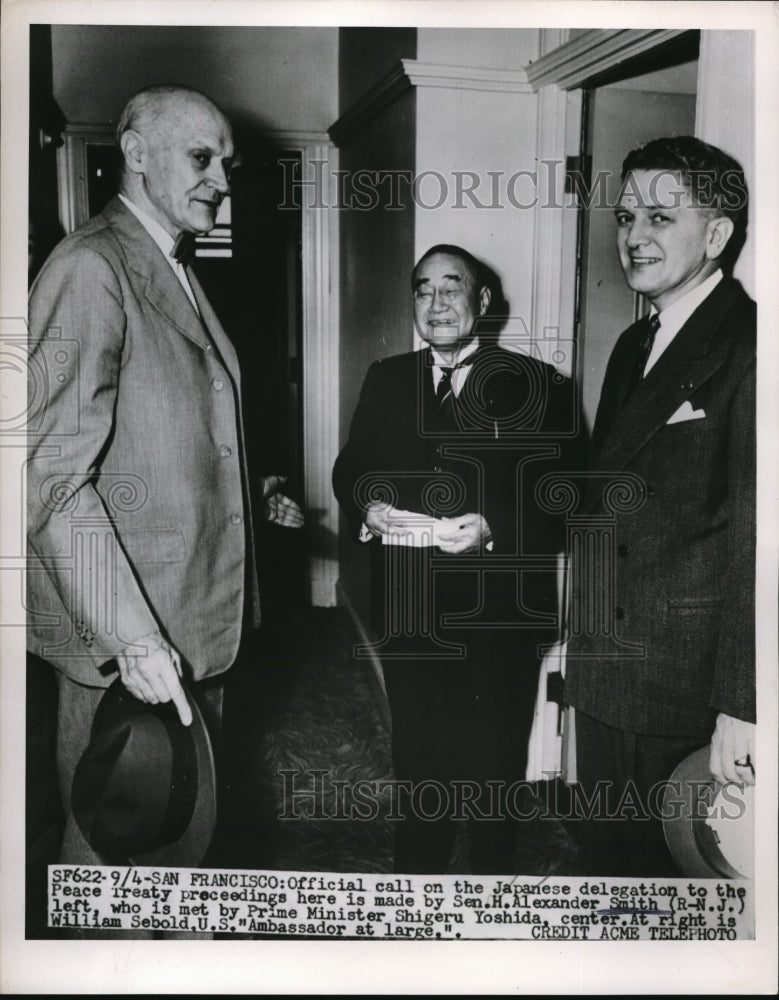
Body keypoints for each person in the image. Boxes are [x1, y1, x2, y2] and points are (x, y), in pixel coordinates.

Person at [27, 85, 300, 865]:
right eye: (200, 157)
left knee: (184, 839)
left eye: (226, 163)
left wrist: (250, 496)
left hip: (194, 620)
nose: (219, 177)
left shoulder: (168, 262)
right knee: (117, 853)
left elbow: (164, 430)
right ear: (136, 153)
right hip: (132, 640)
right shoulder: (90, 268)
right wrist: (133, 636)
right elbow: (47, 474)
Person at [333, 245, 582, 874]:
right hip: (411, 600)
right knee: (418, 754)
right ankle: (416, 882)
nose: (437, 303)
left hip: (499, 609)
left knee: (495, 762)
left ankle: (487, 889)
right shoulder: (387, 377)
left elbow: (568, 491)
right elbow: (352, 468)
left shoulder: (540, 384)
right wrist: (370, 505)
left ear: (483, 302)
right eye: (423, 290)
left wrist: (495, 526)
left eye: (452, 288)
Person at [565, 136, 756, 876]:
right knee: (609, 856)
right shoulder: (631, 344)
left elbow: (758, 535)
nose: (633, 236)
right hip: (603, 666)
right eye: (624, 217)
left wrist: (743, 704)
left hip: (682, 686)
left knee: (668, 878)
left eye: (659, 217)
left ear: (715, 235)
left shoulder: (751, 346)